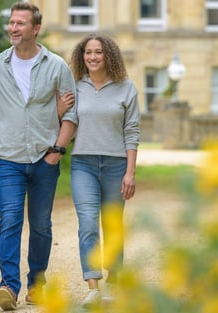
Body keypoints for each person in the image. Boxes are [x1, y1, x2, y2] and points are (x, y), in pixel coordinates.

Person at [0, 2, 77, 311]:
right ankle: (8, 286)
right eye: (11, 22)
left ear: (35, 28)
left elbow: (73, 113)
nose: (13, 28)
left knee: (41, 224)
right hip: (8, 158)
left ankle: (37, 286)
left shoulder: (56, 66)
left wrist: (57, 150)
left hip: (45, 158)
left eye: (20, 23)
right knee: (11, 220)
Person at [61, 33, 140, 308]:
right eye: (88, 52)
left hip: (116, 164)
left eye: (99, 52)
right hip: (83, 163)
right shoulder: (75, 86)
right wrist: (60, 108)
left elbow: (132, 131)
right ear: (81, 56)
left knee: (112, 223)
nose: (93, 57)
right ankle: (93, 285)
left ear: (110, 57)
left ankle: (114, 280)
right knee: (87, 223)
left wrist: (130, 172)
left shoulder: (126, 88)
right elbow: (62, 119)